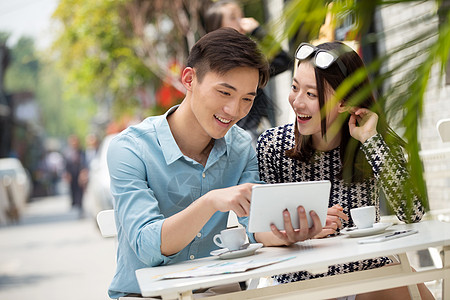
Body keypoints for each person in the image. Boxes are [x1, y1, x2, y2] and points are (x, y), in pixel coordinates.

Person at [106, 28, 322, 299]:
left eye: (247, 99)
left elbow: (256, 226)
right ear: (189, 79)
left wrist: (290, 232)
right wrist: (210, 202)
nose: (234, 111)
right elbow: (148, 246)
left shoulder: (241, 146)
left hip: (216, 291)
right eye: (224, 92)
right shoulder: (130, 149)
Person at [255, 42, 433, 299]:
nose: (297, 102)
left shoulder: (370, 142)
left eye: (312, 95)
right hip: (301, 281)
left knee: (407, 286)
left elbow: (413, 213)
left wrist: (371, 139)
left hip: (366, 273)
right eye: (295, 88)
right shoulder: (272, 146)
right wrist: (302, 229)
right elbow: (260, 232)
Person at [204, 0, 293, 145]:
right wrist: (258, 31)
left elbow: (283, 62)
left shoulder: (238, 60)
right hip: (246, 139)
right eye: (233, 17)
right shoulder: (231, 64)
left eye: (241, 16)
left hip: (251, 135)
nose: (242, 22)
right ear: (218, 28)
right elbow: (283, 61)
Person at [63, 134, 87, 215]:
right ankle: (75, 205)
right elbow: (65, 164)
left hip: (79, 174)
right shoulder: (67, 153)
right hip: (72, 175)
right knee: (72, 191)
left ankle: (80, 207)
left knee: (80, 192)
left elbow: (84, 163)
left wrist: (83, 173)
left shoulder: (82, 152)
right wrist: (66, 174)